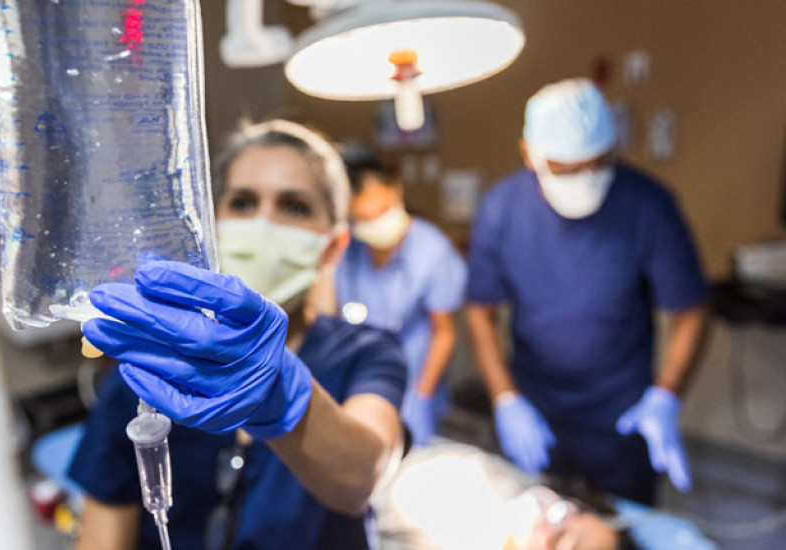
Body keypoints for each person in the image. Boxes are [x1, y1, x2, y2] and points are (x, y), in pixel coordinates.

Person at [69, 120, 408, 549]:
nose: (262, 225)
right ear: (213, 226)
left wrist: (280, 391)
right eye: (243, 203)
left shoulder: (366, 352)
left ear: (333, 246)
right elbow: (102, 536)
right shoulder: (154, 368)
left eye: (294, 207)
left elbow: (363, 476)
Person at [465, 78, 709, 505]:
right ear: (529, 153)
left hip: (622, 414)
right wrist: (506, 400)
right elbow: (480, 311)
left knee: (618, 523)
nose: (584, 179)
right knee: (538, 518)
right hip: (535, 404)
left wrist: (665, 396)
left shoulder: (648, 206)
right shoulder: (502, 209)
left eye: (596, 165)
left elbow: (691, 309)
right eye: (566, 168)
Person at [334, 152, 467, 446]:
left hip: (414, 384)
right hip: (358, 385)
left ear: (396, 191)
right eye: (363, 219)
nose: (375, 223)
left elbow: (443, 333)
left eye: (382, 211)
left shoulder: (433, 252)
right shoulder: (348, 252)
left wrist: (421, 397)